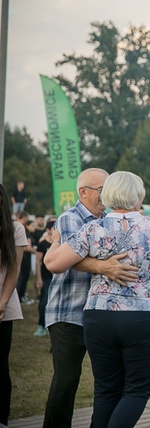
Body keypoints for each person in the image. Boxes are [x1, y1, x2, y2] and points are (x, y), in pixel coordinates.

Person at [45, 171, 150, 428]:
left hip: (99, 316)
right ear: (138, 195)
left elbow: (53, 264)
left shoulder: (93, 227)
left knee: (106, 390)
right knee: (137, 390)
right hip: (142, 316)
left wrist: (54, 243)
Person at [42, 168, 139, 428]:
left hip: (101, 314)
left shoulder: (109, 219)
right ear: (83, 192)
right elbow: (69, 258)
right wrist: (104, 266)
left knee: (107, 383)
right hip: (69, 313)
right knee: (67, 380)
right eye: (100, 189)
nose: (106, 194)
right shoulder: (69, 218)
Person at [0, 183, 28, 427]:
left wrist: (2, 303)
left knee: (1, 367)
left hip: (3, 307)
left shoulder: (15, 229)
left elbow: (14, 270)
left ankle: (3, 418)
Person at [34, 220, 56, 337]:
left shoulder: (59, 244)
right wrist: (39, 278)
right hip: (46, 278)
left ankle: (50, 325)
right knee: (43, 302)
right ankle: (40, 326)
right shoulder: (42, 244)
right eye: (53, 228)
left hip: (56, 279)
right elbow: (38, 262)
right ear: (48, 230)